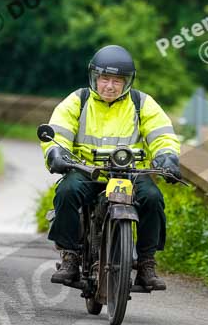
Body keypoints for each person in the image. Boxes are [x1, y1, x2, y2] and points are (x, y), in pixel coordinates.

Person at [41, 45, 181, 290]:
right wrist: (56, 152)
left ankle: (147, 262)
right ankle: (70, 256)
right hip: (86, 171)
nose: (110, 85)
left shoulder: (142, 103)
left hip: (131, 173)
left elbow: (162, 135)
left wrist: (167, 156)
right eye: (105, 78)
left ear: (128, 82)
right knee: (66, 193)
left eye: (118, 80)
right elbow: (59, 131)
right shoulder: (78, 100)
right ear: (94, 77)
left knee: (152, 197)